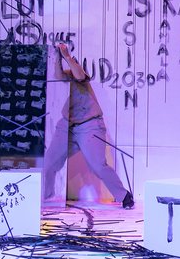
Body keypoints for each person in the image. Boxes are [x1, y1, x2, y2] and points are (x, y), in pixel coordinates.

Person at [43, 42, 134, 209]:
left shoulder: (81, 75)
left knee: (98, 166)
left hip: (89, 125)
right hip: (67, 125)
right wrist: (57, 56)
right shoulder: (66, 76)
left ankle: (124, 195)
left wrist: (67, 56)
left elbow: (79, 75)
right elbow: (58, 75)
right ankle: (45, 196)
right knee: (49, 161)